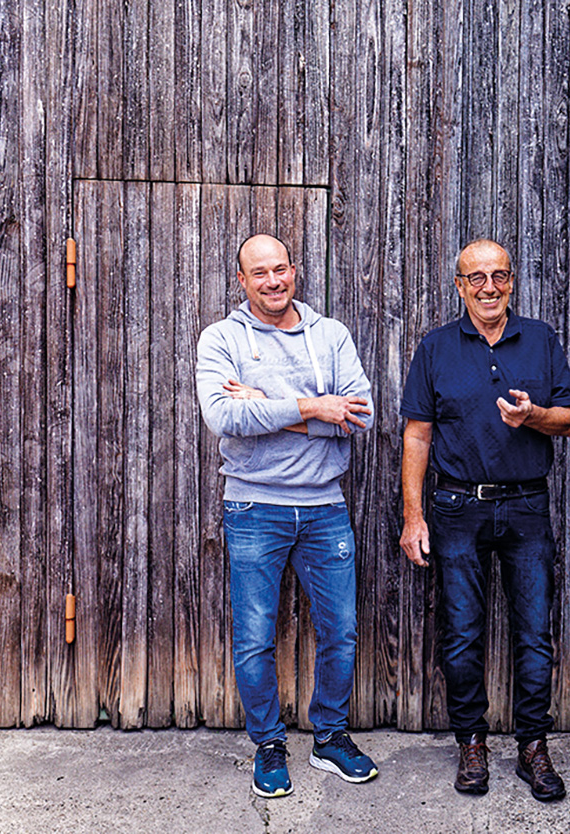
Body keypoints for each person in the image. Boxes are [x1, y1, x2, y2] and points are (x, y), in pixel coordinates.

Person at [196, 233, 378, 798]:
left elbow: (361, 415)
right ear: (242, 280)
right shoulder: (222, 338)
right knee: (255, 636)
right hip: (254, 506)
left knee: (340, 631)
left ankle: (330, 737)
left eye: (280, 269)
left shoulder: (331, 336)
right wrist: (314, 408)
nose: (273, 281)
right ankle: (269, 744)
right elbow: (223, 417)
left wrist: (267, 406)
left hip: (325, 507)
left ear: (294, 271)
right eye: (260, 273)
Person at [399, 239, 570, 802]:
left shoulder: (541, 339)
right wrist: (412, 516)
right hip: (457, 508)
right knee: (461, 634)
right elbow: (417, 435)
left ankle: (533, 746)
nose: (488, 287)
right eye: (475, 277)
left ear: (512, 281)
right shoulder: (436, 347)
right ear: (459, 286)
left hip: (526, 506)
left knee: (534, 634)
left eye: (498, 275)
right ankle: (471, 742)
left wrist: (534, 415)